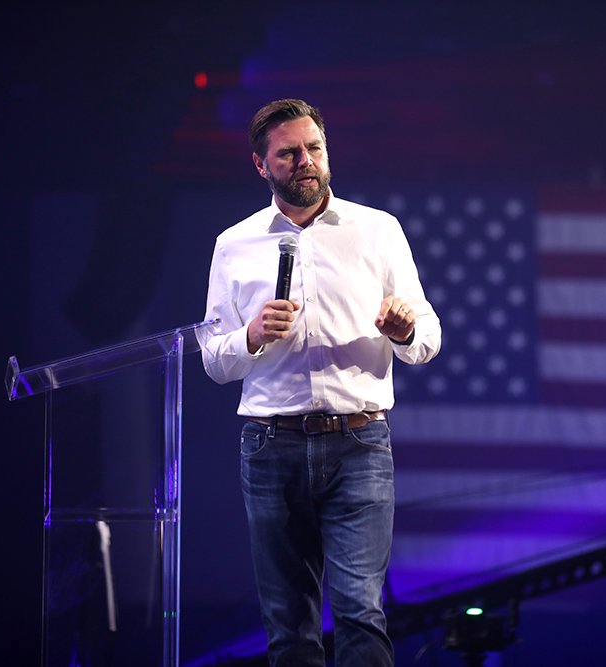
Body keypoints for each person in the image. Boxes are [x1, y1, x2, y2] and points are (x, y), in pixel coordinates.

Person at [197, 99, 441, 667]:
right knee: (288, 626)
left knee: (360, 611)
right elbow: (214, 358)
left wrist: (404, 329)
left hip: (358, 443)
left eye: (314, 148)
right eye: (288, 153)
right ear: (262, 165)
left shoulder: (377, 230)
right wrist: (251, 335)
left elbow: (427, 337)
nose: (305, 161)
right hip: (270, 446)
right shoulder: (234, 245)